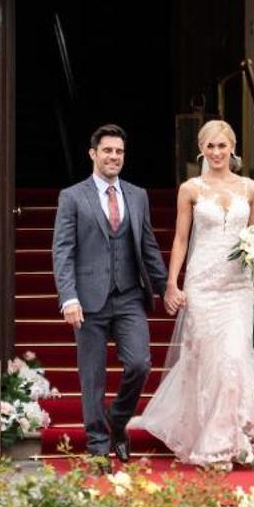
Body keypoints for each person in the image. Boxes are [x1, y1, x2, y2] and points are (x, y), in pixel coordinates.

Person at [131, 120, 254, 466]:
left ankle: (231, 439)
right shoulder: (190, 189)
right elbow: (180, 239)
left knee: (235, 358)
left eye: (222, 146)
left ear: (233, 148)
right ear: (201, 149)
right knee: (209, 362)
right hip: (202, 285)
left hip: (237, 286)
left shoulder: (252, 189)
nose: (217, 152)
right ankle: (213, 441)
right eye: (210, 146)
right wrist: (171, 283)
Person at [51, 125, 170, 456]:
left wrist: (166, 288)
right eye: (107, 151)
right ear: (93, 154)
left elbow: (148, 246)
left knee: (140, 364)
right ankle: (99, 445)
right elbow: (63, 250)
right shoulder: (73, 197)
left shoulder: (137, 195)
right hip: (88, 300)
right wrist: (69, 297)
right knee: (93, 377)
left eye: (119, 151)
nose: (114, 157)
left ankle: (116, 420)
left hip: (129, 295)